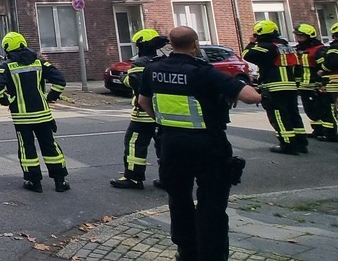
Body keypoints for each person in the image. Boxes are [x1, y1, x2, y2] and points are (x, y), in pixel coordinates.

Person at [138, 26, 262, 261]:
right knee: (211, 204)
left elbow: (143, 101)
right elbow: (251, 96)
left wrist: (163, 121)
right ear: (195, 44)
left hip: (171, 144)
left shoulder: (152, 69)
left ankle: (187, 252)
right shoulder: (203, 72)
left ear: (171, 45)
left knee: (179, 199)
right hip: (208, 146)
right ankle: (211, 255)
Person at [0, 32, 69, 193]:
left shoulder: (5, 67)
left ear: (7, 48)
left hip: (22, 117)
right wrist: (50, 97)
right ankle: (60, 181)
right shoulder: (40, 63)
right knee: (50, 146)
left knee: (27, 148)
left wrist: (6, 100)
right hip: (43, 114)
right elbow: (60, 81)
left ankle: (34, 182)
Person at [110, 29, 167, 190]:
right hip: (164, 112)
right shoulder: (164, 61)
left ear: (140, 44)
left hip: (143, 113)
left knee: (135, 143)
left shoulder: (140, 64)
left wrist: (124, 78)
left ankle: (133, 178)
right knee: (163, 145)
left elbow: (138, 85)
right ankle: (168, 178)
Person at [242, 19, 307, 154]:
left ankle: (287, 144)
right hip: (291, 85)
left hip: (275, 86)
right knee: (293, 113)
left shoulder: (266, 47)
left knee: (279, 114)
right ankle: (301, 142)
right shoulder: (286, 46)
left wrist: (251, 43)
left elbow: (247, 55)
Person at [294, 23, 335, 141]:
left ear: (309, 36)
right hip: (304, 85)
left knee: (324, 109)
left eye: (301, 36)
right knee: (310, 110)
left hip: (317, 85)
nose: (299, 38)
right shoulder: (299, 49)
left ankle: (330, 133)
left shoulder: (319, 50)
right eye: (297, 36)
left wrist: (323, 83)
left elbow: (324, 68)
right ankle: (317, 130)